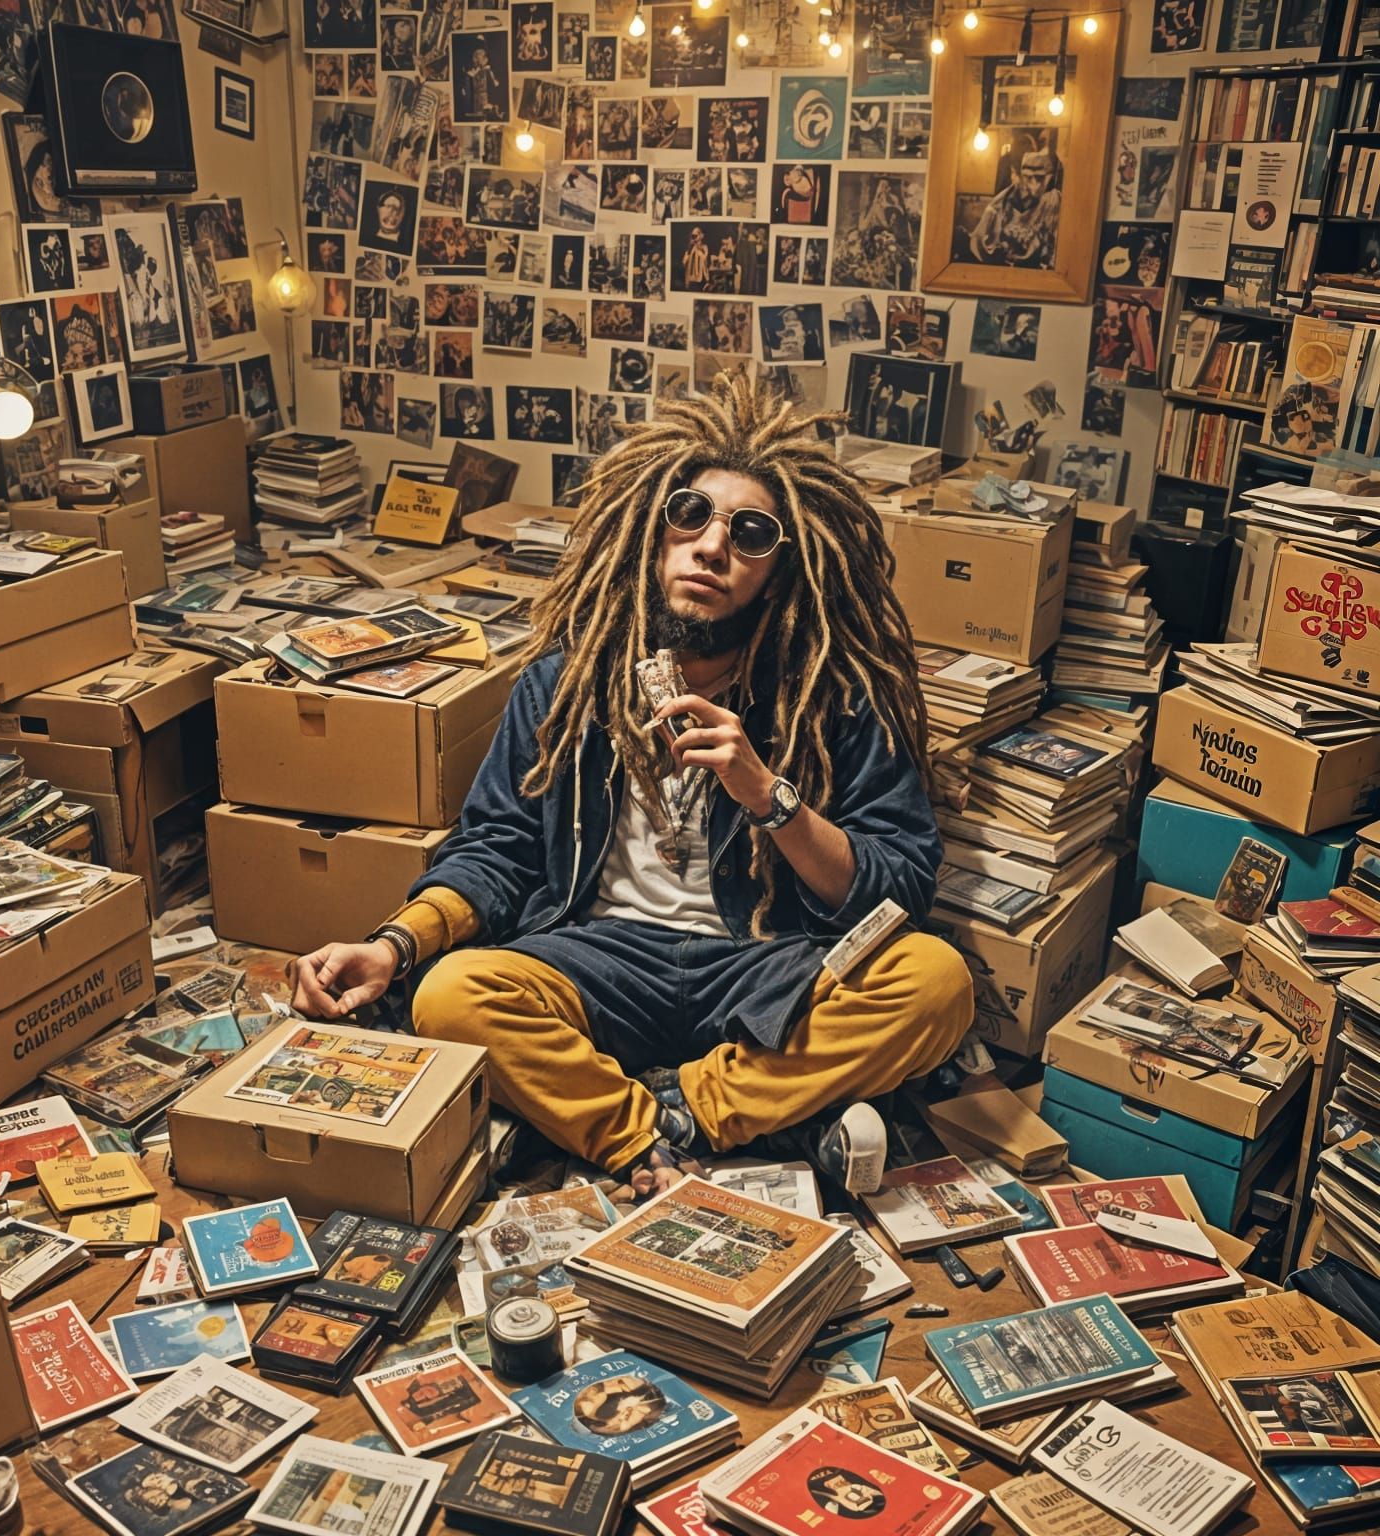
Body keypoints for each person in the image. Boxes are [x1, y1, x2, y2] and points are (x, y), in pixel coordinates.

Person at [291, 374, 972, 1200]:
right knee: (449, 997)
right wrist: (394, 945)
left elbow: (898, 890)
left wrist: (770, 798)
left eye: (750, 534)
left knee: (936, 983)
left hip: (763, 966)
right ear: (651, 533)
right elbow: (496, 851)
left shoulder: (832, 701)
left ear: (780, 574)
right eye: (691, 514)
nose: (712, 547)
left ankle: (666, 1117)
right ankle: (737, 1122)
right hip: (600, 957)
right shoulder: (565, 687)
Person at [970, 145, 1063, 269]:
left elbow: (1057, 249)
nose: (1035, 184)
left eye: (1040, 178)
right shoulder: (999, 205)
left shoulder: (1054, 200)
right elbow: (978, 242)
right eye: (1029, 177)